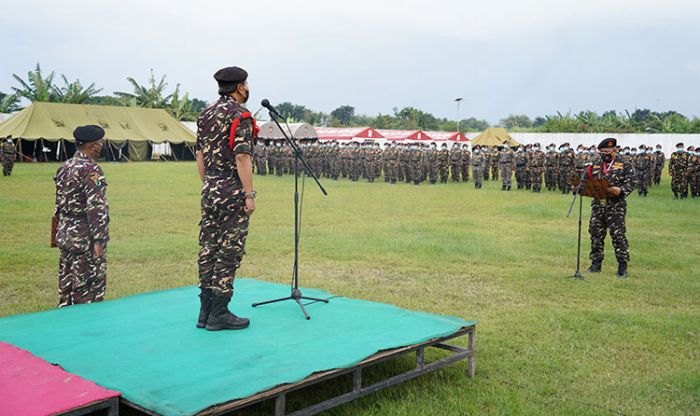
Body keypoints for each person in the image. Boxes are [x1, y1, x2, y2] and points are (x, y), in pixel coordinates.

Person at [195, 66, 256, 331]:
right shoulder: (240, 115)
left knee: (208, 248)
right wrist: (248, 194)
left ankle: (205, 310)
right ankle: (219, 311)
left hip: (210, 187)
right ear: (240, 87)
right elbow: (242, 156)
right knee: (229, 250)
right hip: (231, 188)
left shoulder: (205, 114)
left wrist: (209, 183)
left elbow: (199, 154)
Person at [53, 125, 109, 307]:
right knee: (87, 288)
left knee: (66, 283)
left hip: (65, 233)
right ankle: (83, 330)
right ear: (93, 146)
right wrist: (99, 240)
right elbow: (96, 207)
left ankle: (64, 321)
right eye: (100, 143)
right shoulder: (90, 169)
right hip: (84, 236)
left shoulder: (64, 167)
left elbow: (58, 204)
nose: (102, 146)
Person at [586, 138, 634, 278]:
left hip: (615, 206)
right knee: (595, 235)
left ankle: (622, 267)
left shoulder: (625, 163)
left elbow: (632, 181)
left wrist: (621, 190)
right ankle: (595, 264)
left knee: (618, 236)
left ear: (615, 149)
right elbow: (589, 179)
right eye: (602, 152)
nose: (604, 154)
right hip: (598, 205)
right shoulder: (596, 163)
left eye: (607, 152)